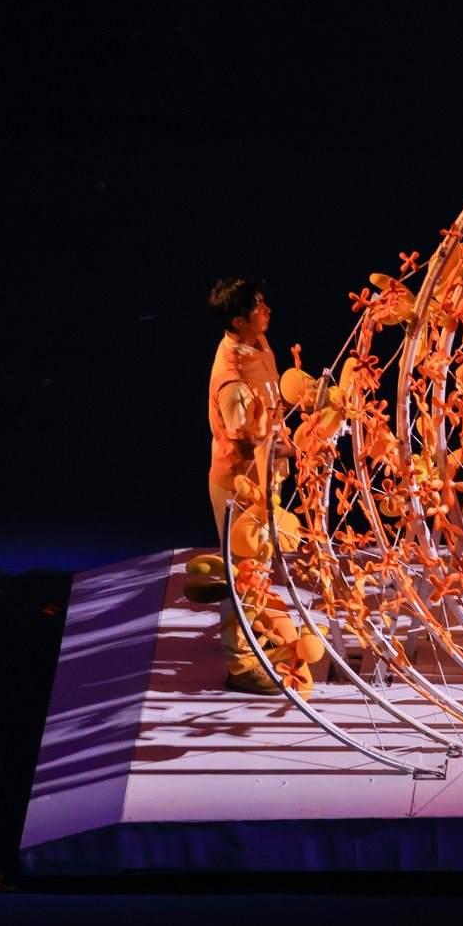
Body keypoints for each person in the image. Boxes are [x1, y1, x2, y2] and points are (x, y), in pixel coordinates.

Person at [205, 276, 284, 694]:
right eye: (257, 307)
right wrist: (293, 447)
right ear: (238, 321)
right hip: (240, 486)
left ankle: (253, 637)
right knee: (244, 572)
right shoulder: (231, 378)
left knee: (261, 565)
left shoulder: (258, 343)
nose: (266, 310)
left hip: (263, 478)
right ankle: (239, 665)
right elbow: (246, 439)